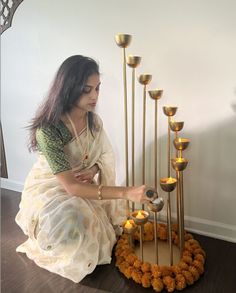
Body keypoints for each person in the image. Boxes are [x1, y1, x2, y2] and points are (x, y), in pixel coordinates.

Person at [15, 55, 152, 283]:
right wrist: (126, 192)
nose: (95, 96)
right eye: (87, 90)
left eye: (97, 88)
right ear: (68, 88)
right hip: (52, 187)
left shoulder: (93, 122)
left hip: (81, 184)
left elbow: (104, 155)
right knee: (72, 218)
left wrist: (94, 169)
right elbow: (71, 186)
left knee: (92, 223)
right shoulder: (49, 130)